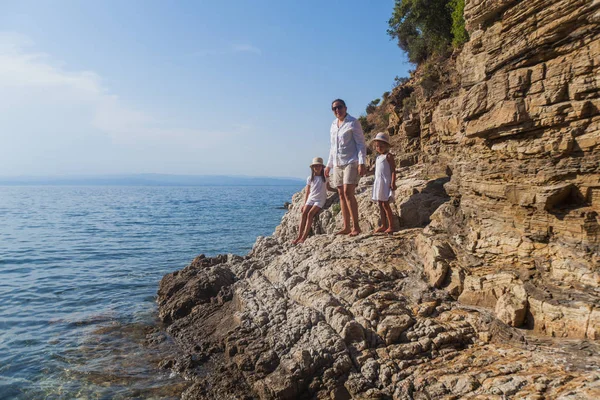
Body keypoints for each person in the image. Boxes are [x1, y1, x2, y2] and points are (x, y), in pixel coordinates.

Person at [324, 99, 367, 237]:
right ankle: (346, 226)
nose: (337, 110)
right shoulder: (332, 125)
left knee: (349, 193)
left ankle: (356, 227)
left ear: (345, 107)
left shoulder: (353, 122)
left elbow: (361, 144)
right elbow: (332, 147)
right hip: (337, 164)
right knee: (341, 194)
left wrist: (362, 162)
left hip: (351, 161)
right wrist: (328, 165)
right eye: (334, 109)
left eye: (339, 107)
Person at [293, 157, 335, 244]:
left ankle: (304, 237)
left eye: (319, 166)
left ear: (322, 167)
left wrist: (338, 190)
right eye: (315, 166)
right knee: (304, 213)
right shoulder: (310, 178)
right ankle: (299, 236)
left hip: (320, 200)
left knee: (310, 214)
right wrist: (305, 204)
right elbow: (308, 191)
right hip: (311, 198)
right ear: (312, 168)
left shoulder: (325, 177)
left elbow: (328, 188)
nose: (317, 167)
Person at [371, 132, 397, 233]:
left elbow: (393, 170)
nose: (379, 148)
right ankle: (383, 224)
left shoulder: (388, 156)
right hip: (378, 182)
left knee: (385, 204)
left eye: (381, 146)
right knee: (380, 204)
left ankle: (391, 225)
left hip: (385, 182)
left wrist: (393, 182)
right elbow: (376, 170)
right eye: (377, 146)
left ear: (386, 146)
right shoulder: (378, 158)